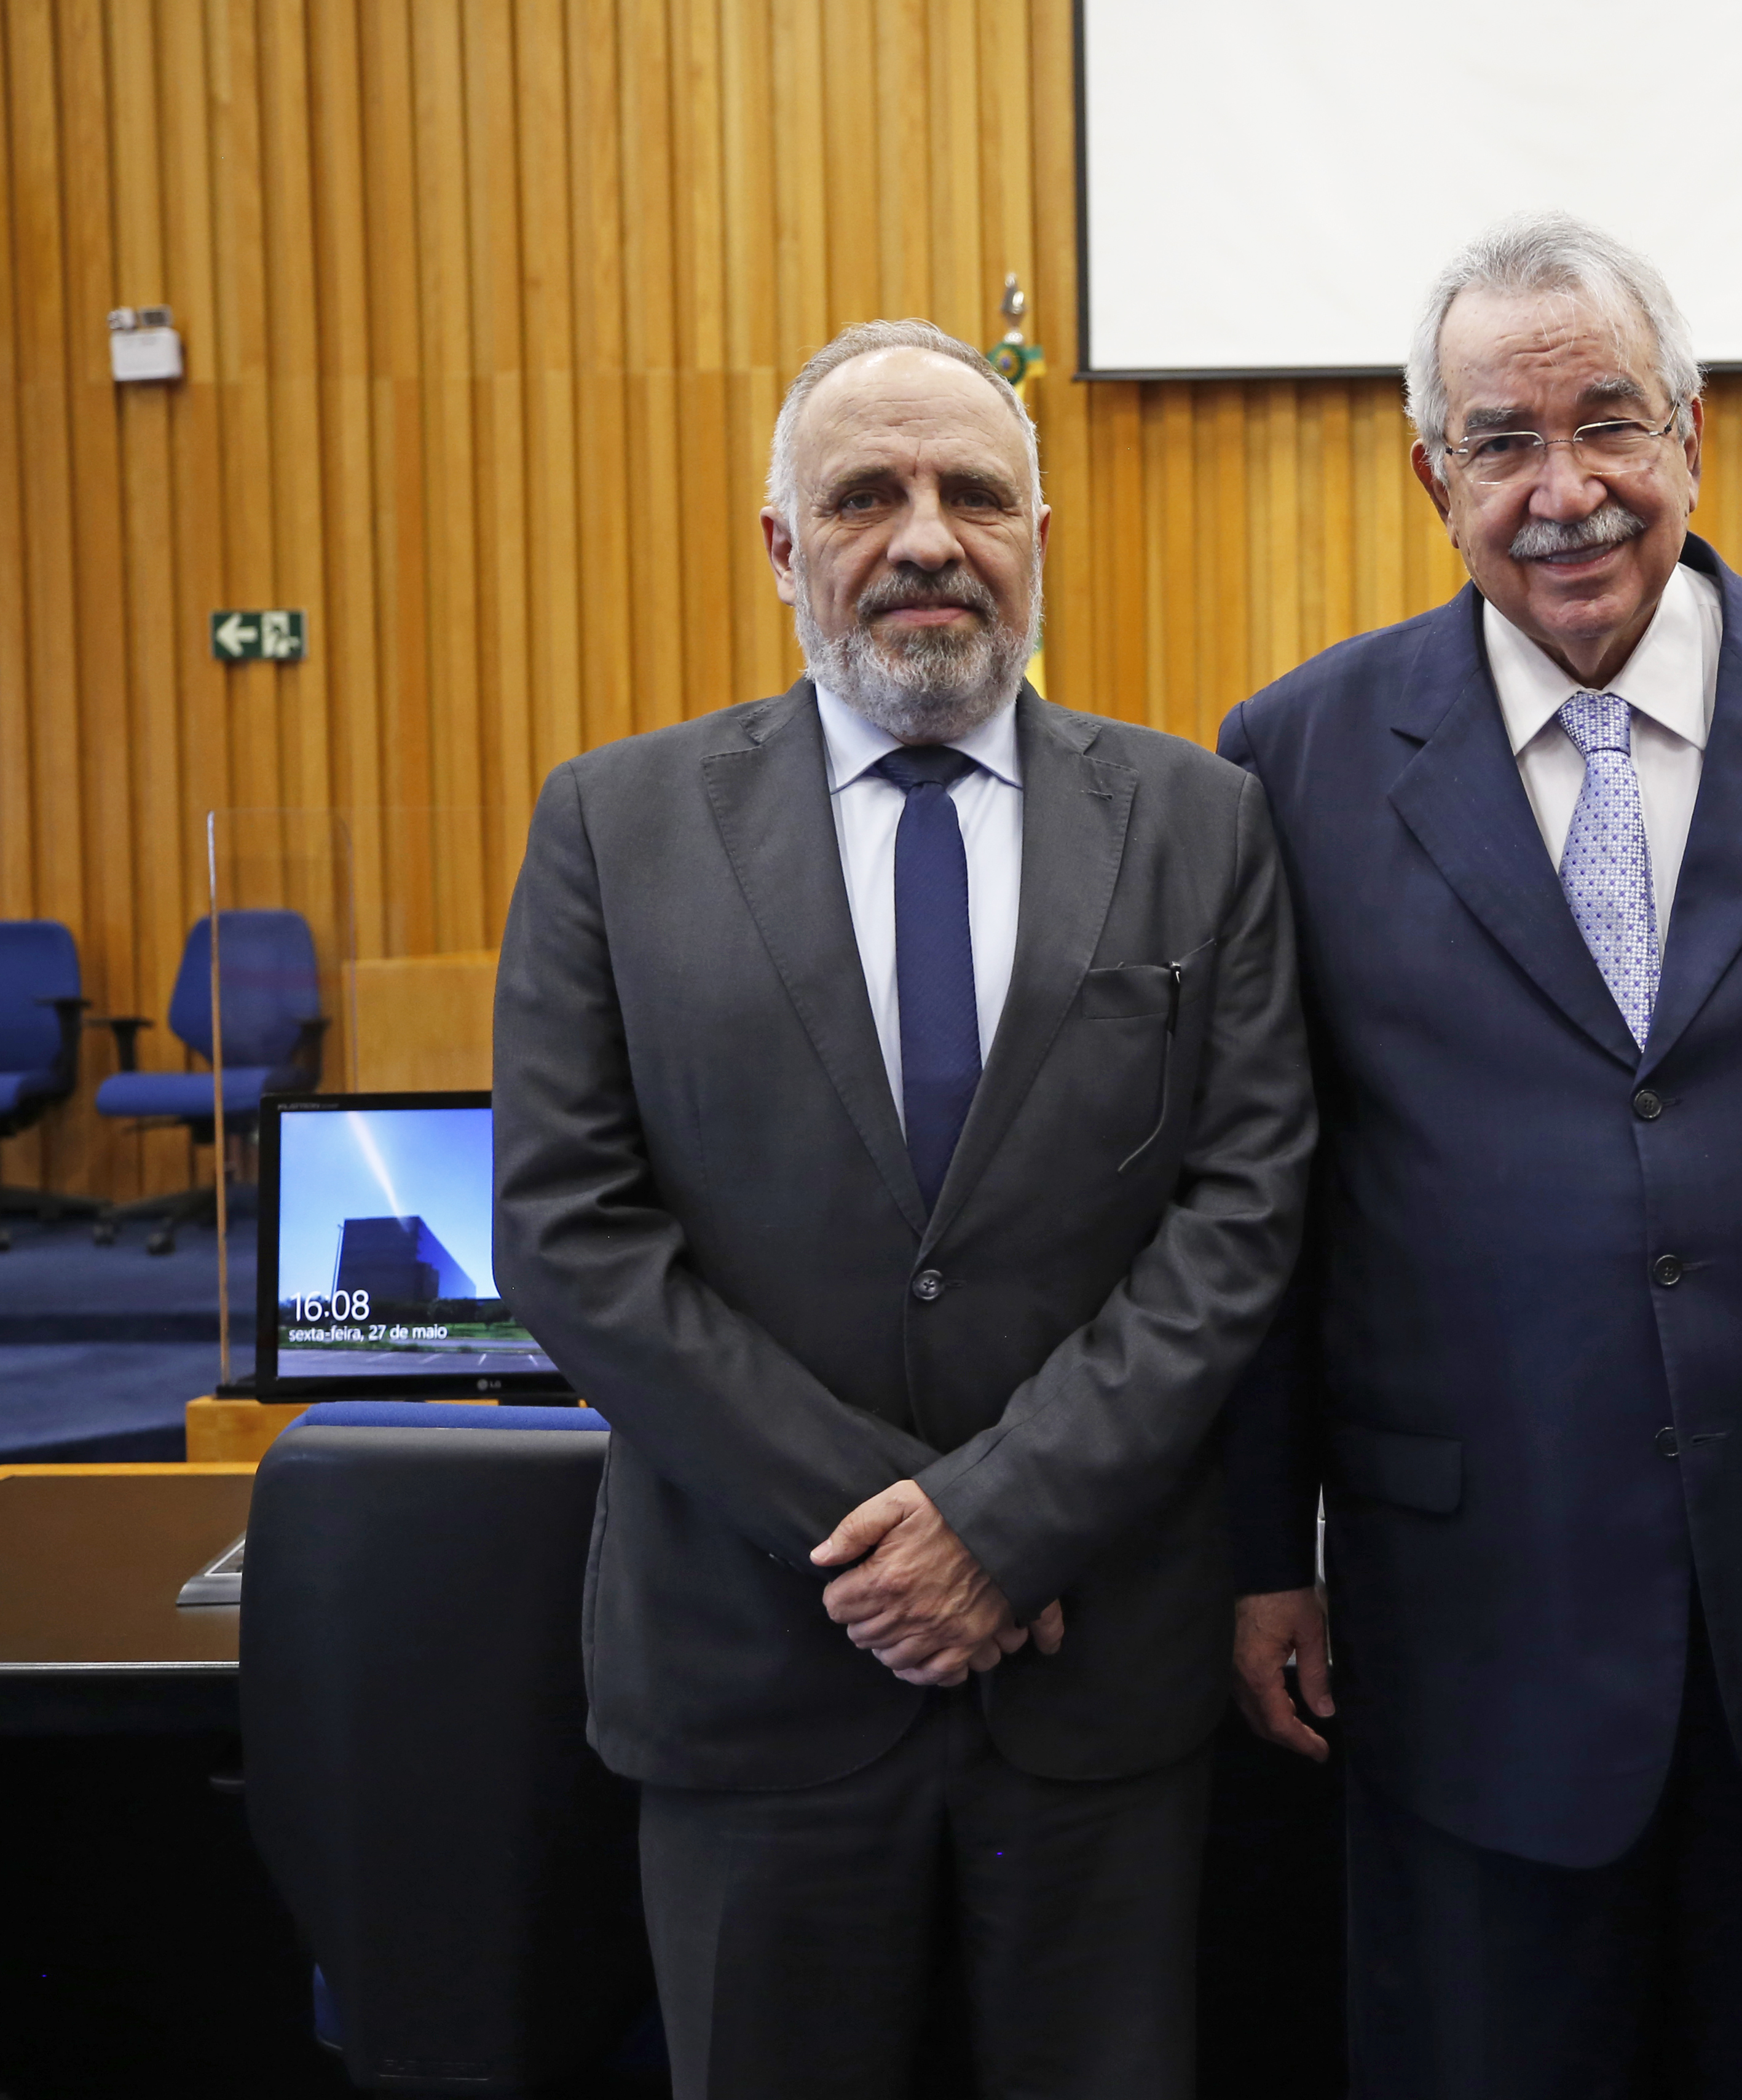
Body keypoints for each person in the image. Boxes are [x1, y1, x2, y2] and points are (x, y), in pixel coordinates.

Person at [491, 317, 1310, 2099]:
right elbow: (570, 1231)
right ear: (784, 545)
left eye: (974, 493)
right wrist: (905, 1543)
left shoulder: (1199, 821)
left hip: (1097, 1688)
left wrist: (1008, 1527)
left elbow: (1241, 1214)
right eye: (866, 493)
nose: (927, 536)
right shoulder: (612, 830)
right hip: (755, 1672)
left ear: (1035, 532)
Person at [1217, 214, 1742, 2098]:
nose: (1564, 491)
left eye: (1608, 423)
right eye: (1501, 440)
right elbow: (1262, 1194)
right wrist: (1257, 1554)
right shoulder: (1292, 760)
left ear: (1691, 432)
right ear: (1430, 475)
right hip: (1471, 1624)